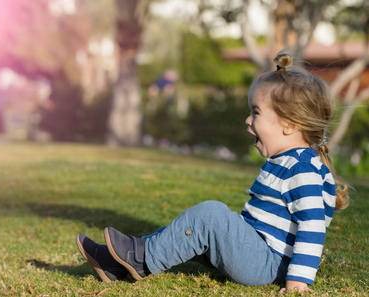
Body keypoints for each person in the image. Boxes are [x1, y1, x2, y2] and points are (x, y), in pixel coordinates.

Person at [75, 51, 350, 293]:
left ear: (289, 125)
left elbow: (312, 228)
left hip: (268, 263)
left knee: (211, 216)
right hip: (258, 254)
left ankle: (139, 259)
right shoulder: (289, 160)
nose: (248, 120)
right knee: (186, 232)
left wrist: (298, 282)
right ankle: (118, 264)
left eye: (256, 113)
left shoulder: (303, 169)